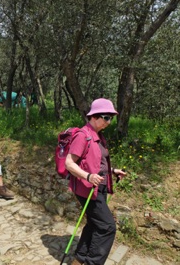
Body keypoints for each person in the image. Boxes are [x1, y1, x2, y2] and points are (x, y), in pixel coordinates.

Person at [65, 98, 126, 265]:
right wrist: (88, 176)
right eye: (106, 117)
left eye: (111, 118)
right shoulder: (83, 135)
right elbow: (69, 163)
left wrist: (112, 171)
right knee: (107, 227)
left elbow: (97, 162)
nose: (109, 122)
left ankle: (79, 260)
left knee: (93, 224)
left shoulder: (99, 135)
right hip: (88, 189)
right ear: (94, 116)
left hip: (100, 187)